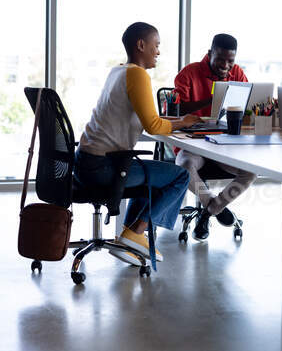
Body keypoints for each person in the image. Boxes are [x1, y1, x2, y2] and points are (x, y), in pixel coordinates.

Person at [74, 22, 201, 266]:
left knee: (153, 173)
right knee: (180, 176)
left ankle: (127, 239)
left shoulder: (118, 71)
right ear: (141, 45)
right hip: (104, 168)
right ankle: (135, 233)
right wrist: (183, 122)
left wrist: (181, 121)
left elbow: (149, 118)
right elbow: (153, 126)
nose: (158, 52)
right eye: (156, 45)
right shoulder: (137, 74)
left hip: (86, 163)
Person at [173, 33, 257, 241]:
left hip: (226, 146)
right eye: (220, 59)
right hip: (194, 145)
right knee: (183, 164)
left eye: (230, 61)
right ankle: (212, 203)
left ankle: (210, 210)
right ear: (210, 53)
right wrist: (211, 99)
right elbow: (176, 108)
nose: (225, 66)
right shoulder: (189, 73)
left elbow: (246, 106)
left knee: (251, 171)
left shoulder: (237, 72)